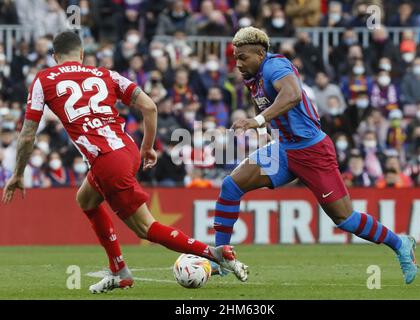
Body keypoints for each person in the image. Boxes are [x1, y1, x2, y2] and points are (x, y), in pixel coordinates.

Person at [1, 31, 248, 293]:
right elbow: (150, 106)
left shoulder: (44, 79)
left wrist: (17, 174)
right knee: (86, 199)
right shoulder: (106, 74)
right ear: (82, 55)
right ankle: (119, 270)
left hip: (108, 161)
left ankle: (215, 253)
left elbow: (28, 134)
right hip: (127, 149)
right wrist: (148, 147)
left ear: (54, 56)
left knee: (146, 228)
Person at [213, 26, 418, 284]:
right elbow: (268, 106)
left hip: (312, 151)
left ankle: (400, 243)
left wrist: (257, 120)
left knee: (344, 219)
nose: (238, 63)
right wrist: (265, 128)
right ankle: (221, 257)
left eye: (243, 57)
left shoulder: (275, 67)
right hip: (285, 149)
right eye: (235, 58)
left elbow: (293, 95)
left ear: (261, 53)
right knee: (231, 186)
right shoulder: (252, 77)